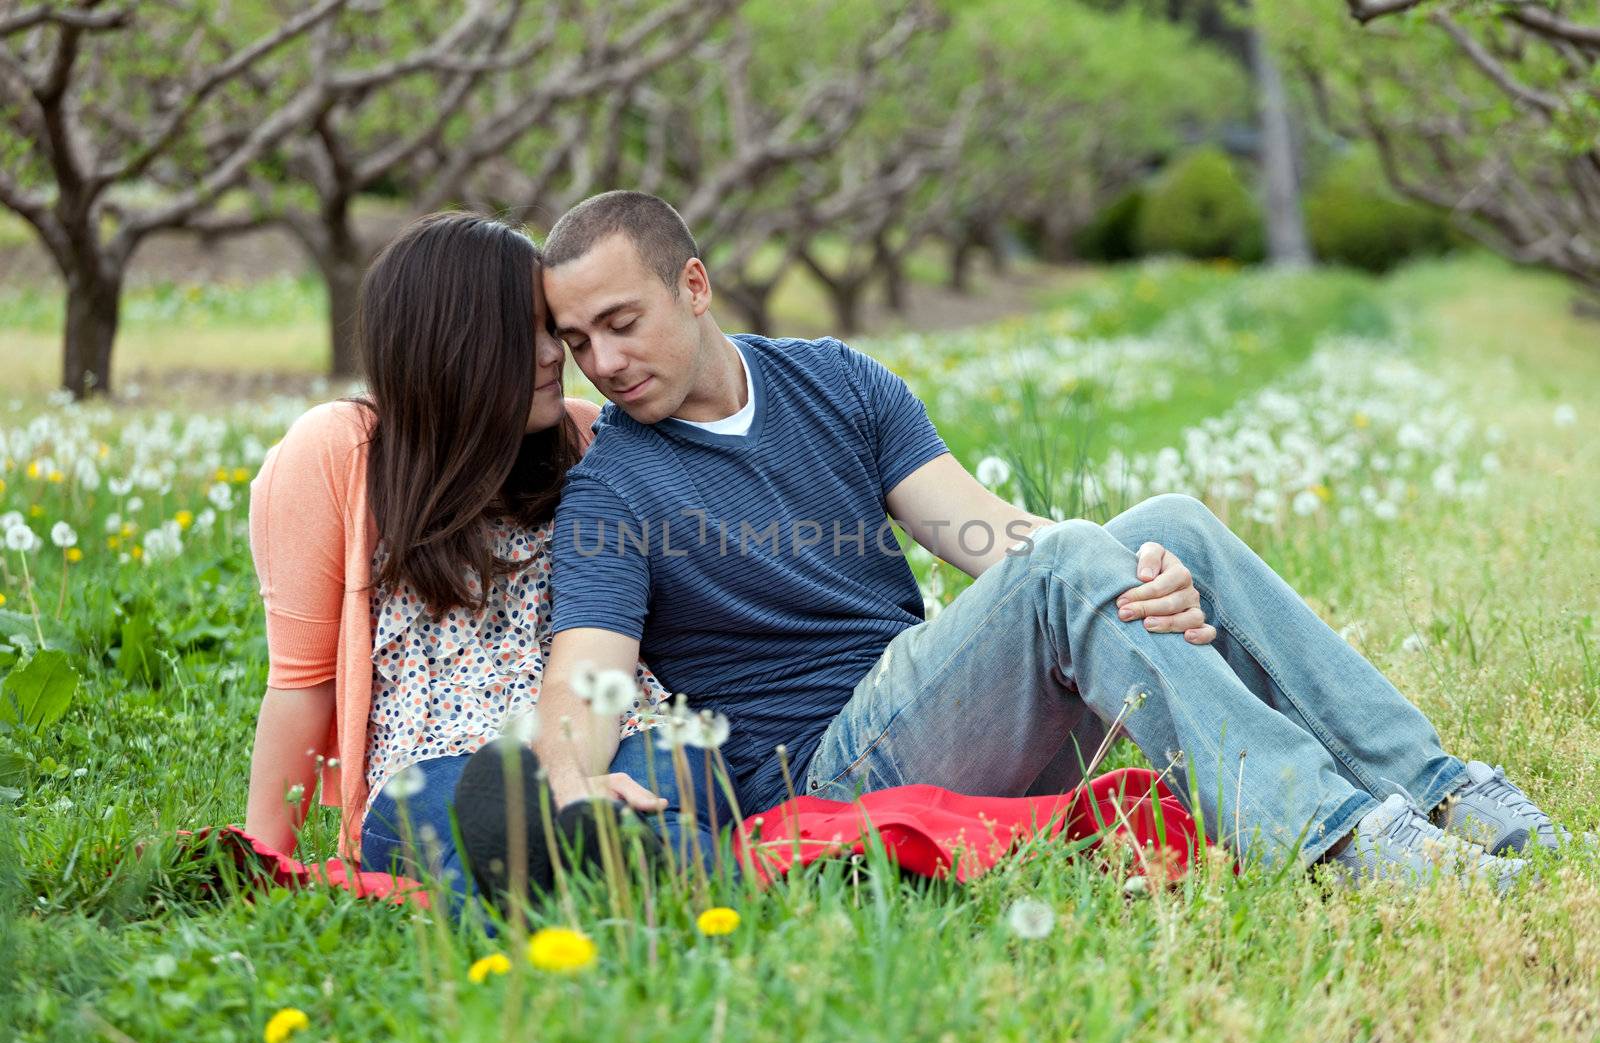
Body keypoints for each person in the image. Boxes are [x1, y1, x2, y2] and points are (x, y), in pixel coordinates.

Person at [494, 189, 1589, 895]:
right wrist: (573, 782)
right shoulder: (617, 488)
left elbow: (985, 532)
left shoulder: (834, 379)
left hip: (947, 708)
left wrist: (1138, 579)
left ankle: (1444, 789)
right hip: (828, 771)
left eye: (620, 322)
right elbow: (584, 675)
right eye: (578, 339)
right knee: (1072, 553)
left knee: (1167, 524)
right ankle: (1344, 841)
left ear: (694, 285)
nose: (601, 360)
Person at [242, 212, 670, 913]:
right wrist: (262, 865)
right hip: (444, 760)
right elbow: (301, 680)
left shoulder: (589, 437)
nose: (555, 353)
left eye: (551, 329)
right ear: (454, 343)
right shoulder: (343, 451)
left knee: (680, 788)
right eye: (524, 333)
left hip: (613, 731)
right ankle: (587, 886)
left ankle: (627, 870)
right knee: (481, 838)